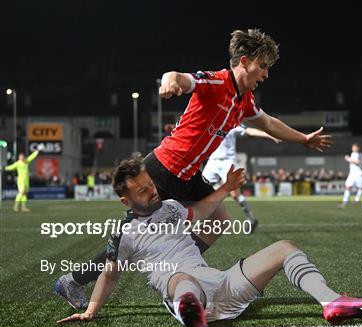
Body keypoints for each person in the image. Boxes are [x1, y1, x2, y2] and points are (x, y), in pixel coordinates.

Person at [54, 28, 332, 309]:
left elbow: (270, 123)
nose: (266, 75)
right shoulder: (217, 82)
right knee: (128, 244)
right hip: (160, 170)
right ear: (244, 61)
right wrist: (168, 82)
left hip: (187, 176)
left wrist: (304, 139)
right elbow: (179, 78)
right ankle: (72, 281)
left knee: (220, 219)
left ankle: (178, 266)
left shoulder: (244, 102)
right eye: (263, 66)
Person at [56, 154, 362, 327]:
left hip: (221, 286)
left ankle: (331, 302)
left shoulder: (169, 206)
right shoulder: (123, 232)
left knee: (284, 248)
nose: (152, 192)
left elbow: (199, 213)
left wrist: (225, 188)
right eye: (142, 191)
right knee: (182, 278)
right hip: (182, 290)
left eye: (151, 185)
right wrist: (91, 311)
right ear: (126, 200)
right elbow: (110, 275)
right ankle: (192, 317)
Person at [202, 124, 280, 232]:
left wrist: (269, 134)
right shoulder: (210, 122)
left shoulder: (231, 124)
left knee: (235, 195)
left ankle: (252, 219)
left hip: (227, 162)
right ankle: (200, 220)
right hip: (212, 162)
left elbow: (250, 131)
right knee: (200, 190)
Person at [3, 147, 40, 212]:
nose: (21, 157)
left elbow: (32, 156)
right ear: (19, 158)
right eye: (20, 156)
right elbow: (10, 167)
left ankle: (23, 207)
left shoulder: (26, 161)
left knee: (24, 193)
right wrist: (3, 168)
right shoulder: (18, 163)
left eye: (22, 156)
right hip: (21, 180)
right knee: (21, 191)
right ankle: (15, 206)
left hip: (26, 180)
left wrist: (37, 151)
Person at [339, 143, 362, 208]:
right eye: (353, 147)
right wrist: (349, 159)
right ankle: (344, 203)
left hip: (358, 173)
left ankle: (356, 200)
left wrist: (348, 159)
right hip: (352, 174)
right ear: (352, 148)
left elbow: (358, 162)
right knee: (347, 187)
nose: (354, 148)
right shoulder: (351, 154)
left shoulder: (360, 154)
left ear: (358, 148)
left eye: (356, 147)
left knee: (360, 188)